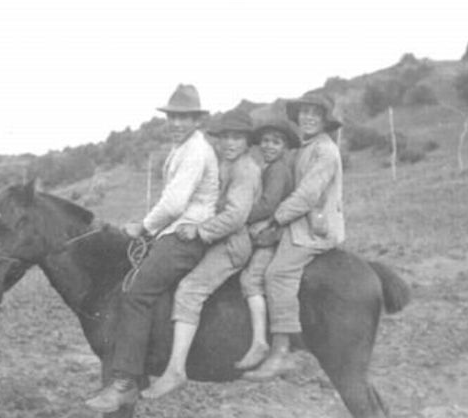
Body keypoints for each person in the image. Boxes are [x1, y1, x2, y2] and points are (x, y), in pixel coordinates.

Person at [85, 84, 219, 413]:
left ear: (197, 120)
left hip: (186, 235)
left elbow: (174, 204)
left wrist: (143, 227)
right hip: (173, 231)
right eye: (172, 117)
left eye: (184, 117)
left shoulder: (195, 151)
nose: (176, 123)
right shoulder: (182, 148)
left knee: (136, 293)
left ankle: (125, 382)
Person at [140, 109, 262, 399]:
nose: (229, 143)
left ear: (248, 142)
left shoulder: (245, 170)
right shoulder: (227, 163)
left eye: (237, 138)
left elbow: (235, 216)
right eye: (225, 137)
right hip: (219, 239)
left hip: (231, 244)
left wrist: (200, 230)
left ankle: (176, 370)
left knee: (189, 290)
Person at [243, 92, 345, 381]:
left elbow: (306, 196)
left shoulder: (326, 151)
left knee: (278, 274)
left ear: (325, 120)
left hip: (315, 228)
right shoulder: (304, 147)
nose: (308, 117)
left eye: (316, 113)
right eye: (304, 112)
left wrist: (273, 220)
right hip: (297, 221)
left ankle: (281, 353)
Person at [233, 118, 300, 370]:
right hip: (266, 231)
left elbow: (268, 205)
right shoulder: (269, 167)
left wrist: (238, 215)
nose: (269, 146)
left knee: (251, 280)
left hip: (271, 236)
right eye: (265, 141)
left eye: (276, 142)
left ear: (285, 146)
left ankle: (260, 342)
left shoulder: (278, 170)